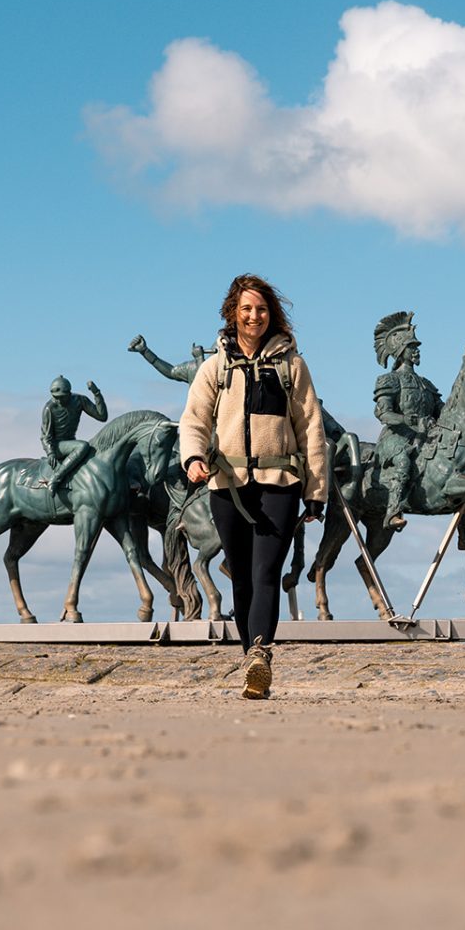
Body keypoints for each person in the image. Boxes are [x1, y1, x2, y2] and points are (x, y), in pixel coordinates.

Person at [179, 274, 328, 699]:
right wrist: (192, 458)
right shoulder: (216, 367)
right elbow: (193, 420)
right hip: (227, 483)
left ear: (270, 314)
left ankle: (260, 654)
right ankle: (251, 661)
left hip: (279, 483)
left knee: (266, 572)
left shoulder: (292, 366)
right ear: (233, 313)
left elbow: (311, 429)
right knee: (241, 578)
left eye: (261, 309)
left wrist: (316, 491)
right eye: (246, 309)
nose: (254, 316)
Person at [371, 311, 442, 532]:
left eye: (416, 346)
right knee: (403, 460)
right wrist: (410, 421)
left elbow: (443, 411)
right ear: (401, 351)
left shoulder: (427, 384)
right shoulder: (389, 380)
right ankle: (392, 512)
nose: (416, 350)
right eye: (412, 347)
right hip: (395, 439)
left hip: (425, 437)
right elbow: (383, 414)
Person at [40, 375, 108, 492]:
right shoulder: (49, 408)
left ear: (69, 393)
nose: (58, 400)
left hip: (71, 443)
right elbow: (46, 436)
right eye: (55, 397)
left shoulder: (79, 400)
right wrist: (50, 452)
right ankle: (56, 477)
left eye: (61, 397)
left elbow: (102, 416)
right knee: (83, 446)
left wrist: (97, 394)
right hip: (57, 446)